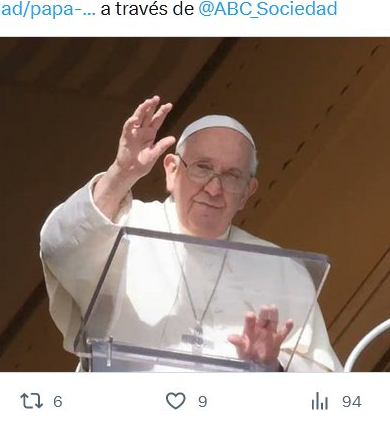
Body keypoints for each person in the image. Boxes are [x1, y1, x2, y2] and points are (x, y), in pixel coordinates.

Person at [40, 96, 341, 372]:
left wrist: (272, 367)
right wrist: (121, 173)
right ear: (172, 170)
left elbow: (323, 382)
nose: (214, 188)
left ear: (247, 192)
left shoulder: (281, 269)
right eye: (202, 168)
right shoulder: (121, 224)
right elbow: (59, 247)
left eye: (232, 175)